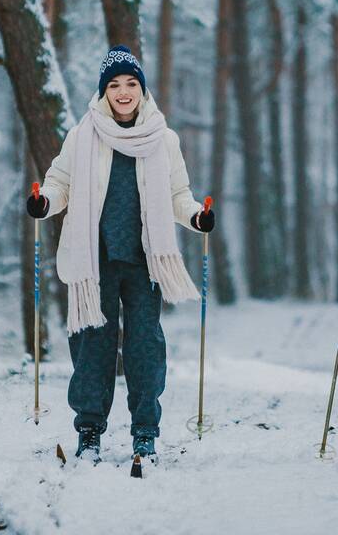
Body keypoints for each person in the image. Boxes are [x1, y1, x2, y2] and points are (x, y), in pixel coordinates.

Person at [27, 45, 213, 462]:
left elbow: (178, 194)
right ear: (104, 91)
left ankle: (145, 431)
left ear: (142, 90)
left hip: (147, 259)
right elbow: (60, 182)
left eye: (131, 83)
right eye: (115, 85)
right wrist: (45, 202)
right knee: (94, 345)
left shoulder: (164, 140)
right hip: (96, 260)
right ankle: (89, 430)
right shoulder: (82, 135)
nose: (124, 91)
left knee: (145, 345)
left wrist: (197, 217)